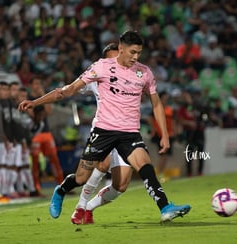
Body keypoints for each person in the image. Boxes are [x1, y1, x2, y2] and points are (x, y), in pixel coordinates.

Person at [18, 30, 191, 222]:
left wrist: (165, 135)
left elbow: (156, 103)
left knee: (145, 166)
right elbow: (68, 90)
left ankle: (165, 207)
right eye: (132, 52)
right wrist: (35, 102)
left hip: (129, 133)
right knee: (81, 178)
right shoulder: (101, 67)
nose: (136, 57)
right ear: (121, 48)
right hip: (104, 131)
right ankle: (61, 190)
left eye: (139, 53)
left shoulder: (144, 73)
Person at [71, 42, 132, 225]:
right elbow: (75, 87)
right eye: (110, 58)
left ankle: (89, 207)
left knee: (121, 186)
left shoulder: (130, 77)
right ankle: (80, 206)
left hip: (126, 133)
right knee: (102, 164)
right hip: (104, 131)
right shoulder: (97, 74)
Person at [27, 76, 64, 195]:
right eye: (35, 84)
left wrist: (43, 94)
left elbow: (49, 112)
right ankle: (36, 188)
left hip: (46, 133)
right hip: (36, 134)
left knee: (55, 160)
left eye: (39, 84)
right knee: (35, 162)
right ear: (31, 85)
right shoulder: (29, 99)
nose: (37, 86)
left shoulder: (44, 97)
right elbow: (32, 116)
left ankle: (62, 186)